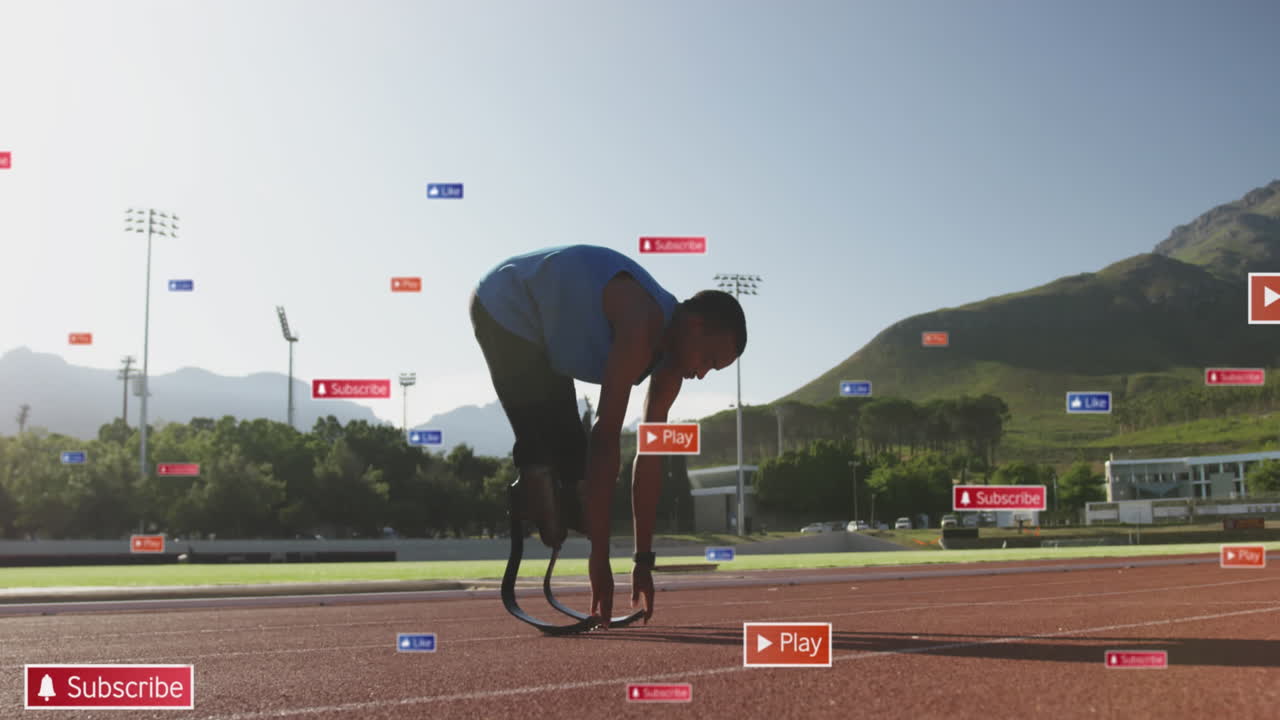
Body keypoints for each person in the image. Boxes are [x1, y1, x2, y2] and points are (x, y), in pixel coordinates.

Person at [469, 245, 747, 627]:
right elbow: (606, 435)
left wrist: (642, 562)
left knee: (578, 475)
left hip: (547, 344)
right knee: (550, 454)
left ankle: (552, 492)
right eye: (710, 361)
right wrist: (599, 559)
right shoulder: (642, 321)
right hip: (504, 304)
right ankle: (534, 476)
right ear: (696, 326)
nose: (701, 374)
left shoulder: (670, 370)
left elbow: (648, 462)